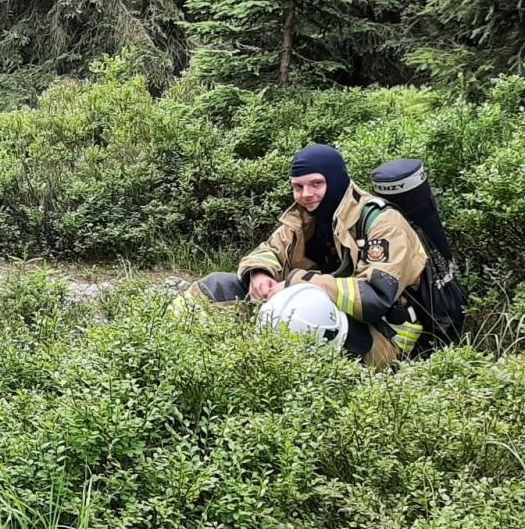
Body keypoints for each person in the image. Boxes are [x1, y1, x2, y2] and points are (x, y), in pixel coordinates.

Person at [183, 143, 428, 367]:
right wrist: (259, 273)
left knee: (302, 311)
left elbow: (374, 298)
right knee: (217, 286)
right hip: (319, 314)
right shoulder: (304, 218)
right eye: (297, 187)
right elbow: (270, 249)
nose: (305, 194)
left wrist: (296, 283)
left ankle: (283, 381)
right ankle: (182, 354)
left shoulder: (384, 223)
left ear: (336, 181)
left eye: (316, 184)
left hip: (382, 336)